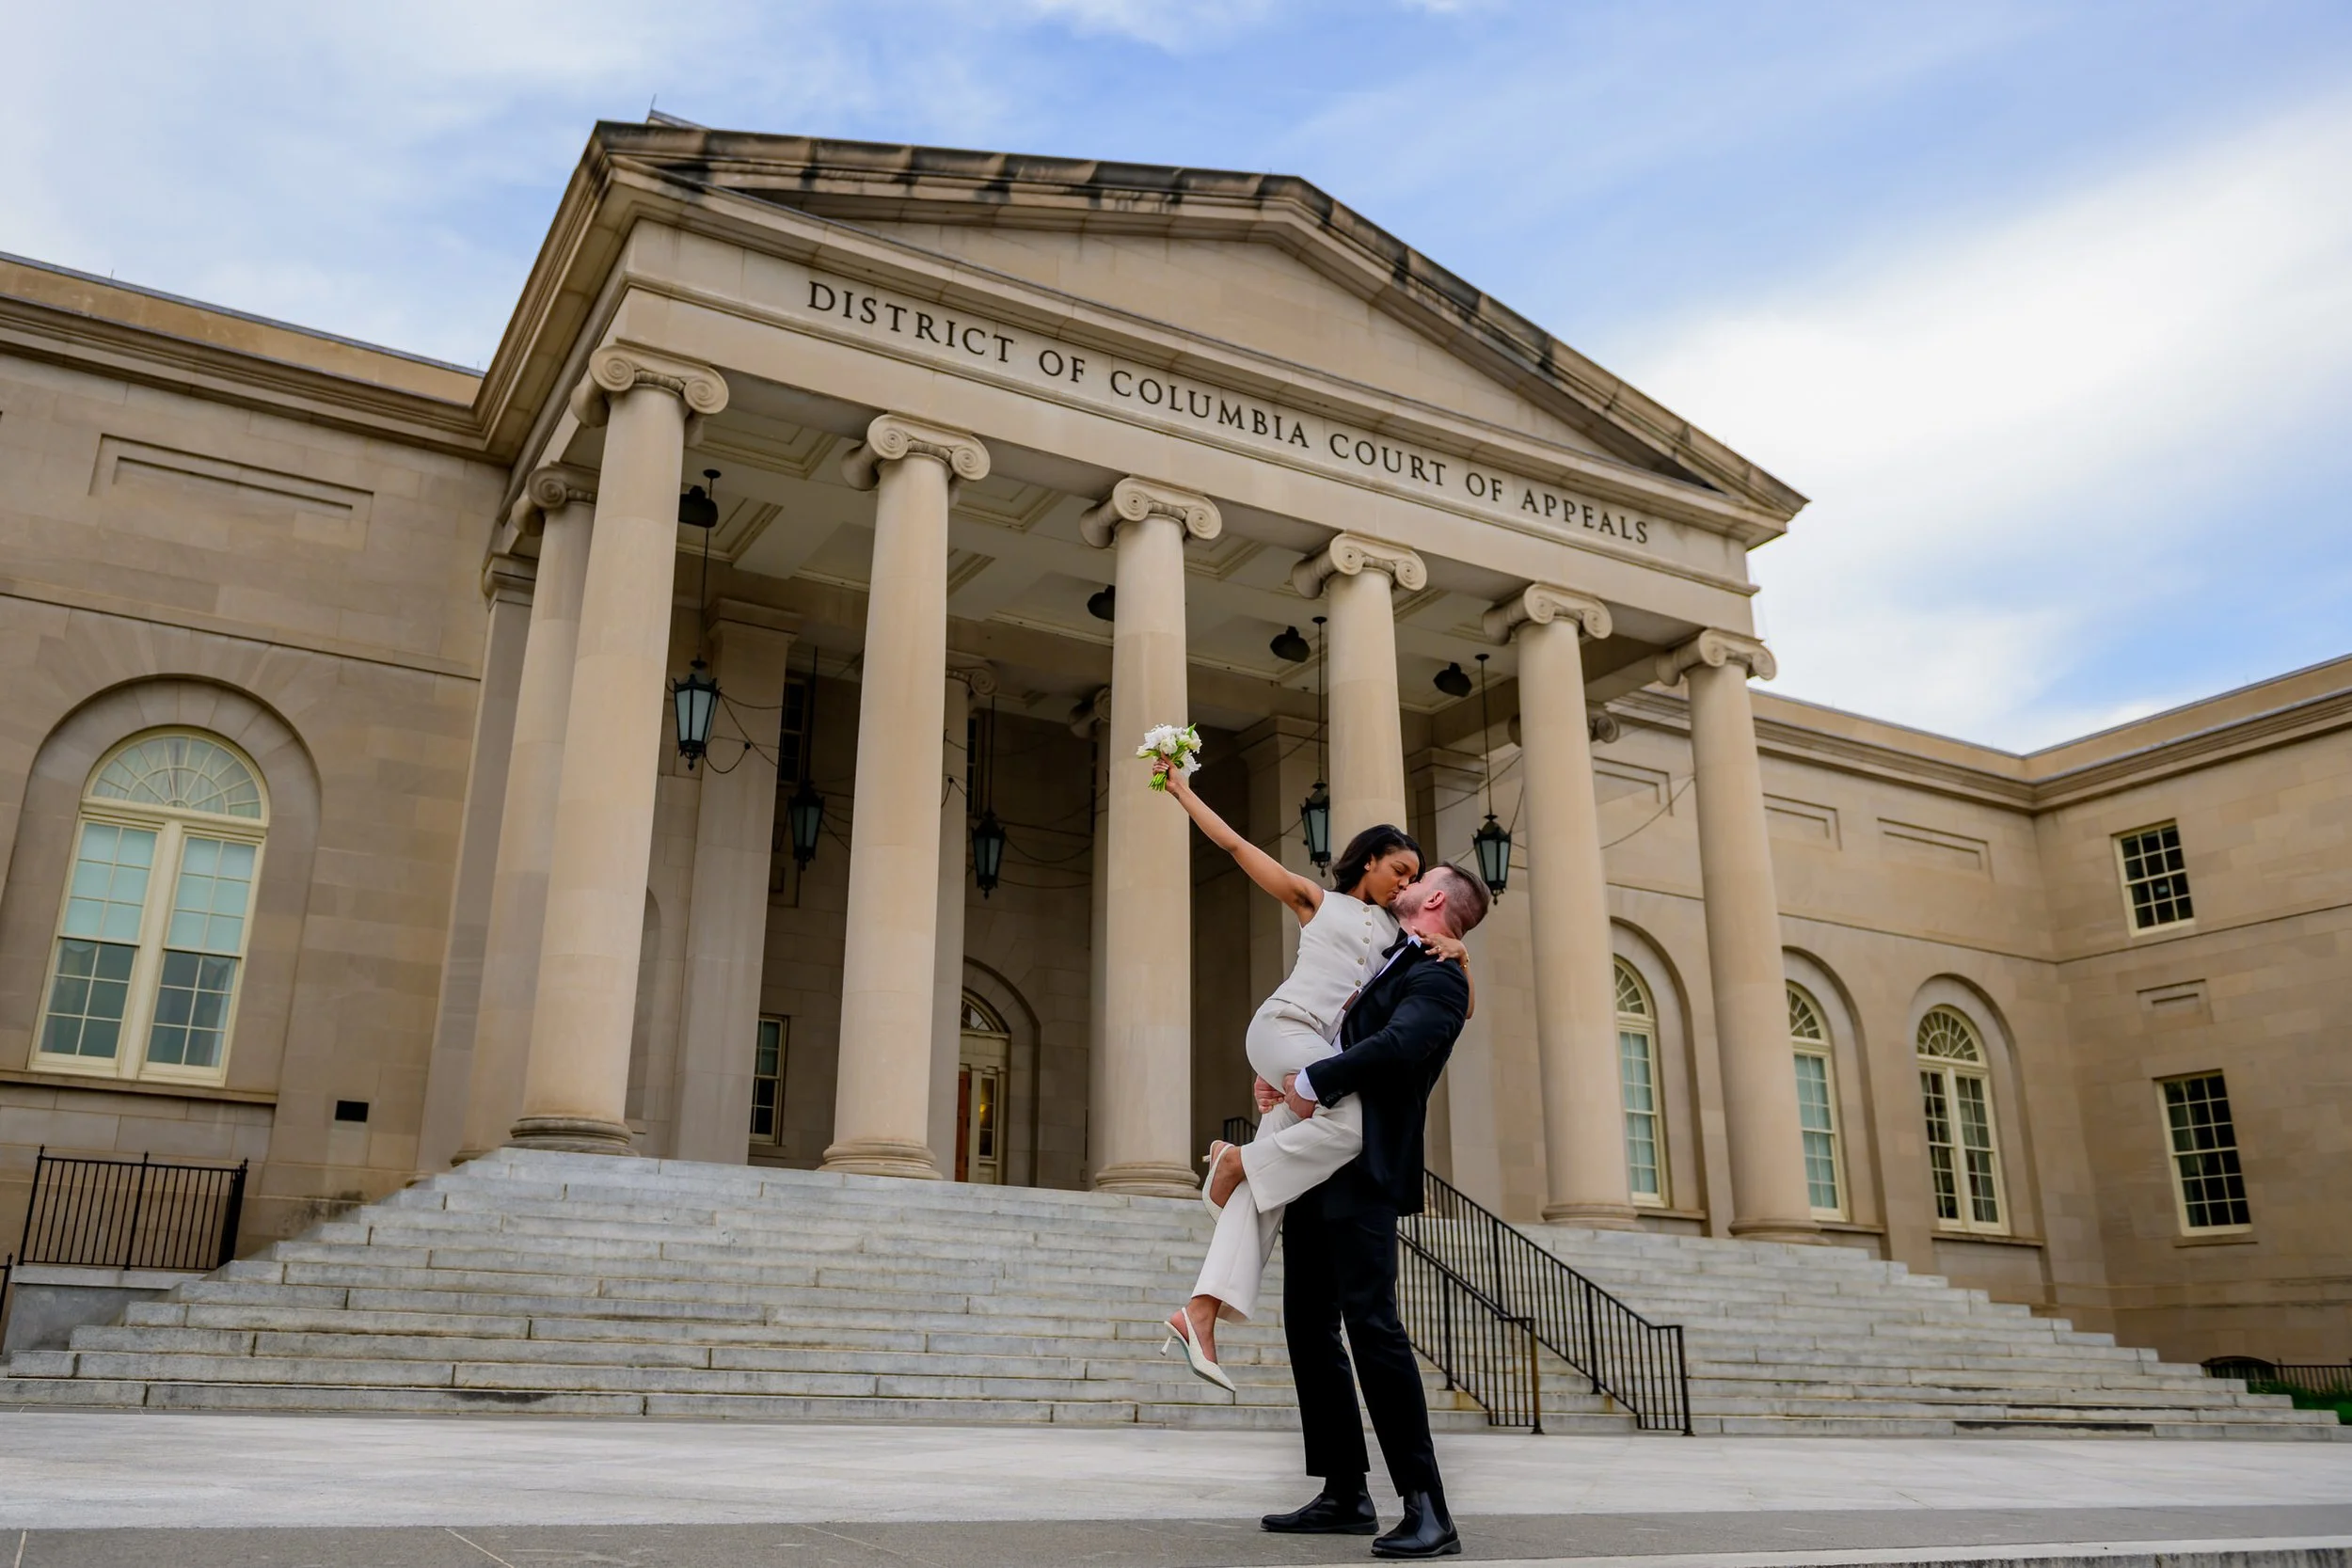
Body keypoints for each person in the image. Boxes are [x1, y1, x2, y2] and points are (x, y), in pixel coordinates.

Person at [1148, 759, 1468, 1393]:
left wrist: (1463, 952)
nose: (1403, 881)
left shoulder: (1402, 940)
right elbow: (1238, 846)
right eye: (1397, 868)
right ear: (1369, 860)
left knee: (1268, 1191)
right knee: (1349, 1128)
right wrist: (1184, 790)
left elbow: (1451, 1005)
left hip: (1316, 1061)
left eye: (1412, 877)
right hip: (1283, 1029)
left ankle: (1200, 1313)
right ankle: (1235, 1158)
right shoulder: (1319, 903)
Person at [1262, 862, 1488, 1560]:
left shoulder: (1440, 978)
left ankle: (1428, 1506)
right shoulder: (1403, 959)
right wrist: (1285, 1078)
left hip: (1366, 1167)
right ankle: (1345, 1491)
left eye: (1422, 879)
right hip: (1318, 1161)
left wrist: (1312, 1079)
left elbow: (1398, 1047)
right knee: (1307, 1320)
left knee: (1372, 1325)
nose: (1404, 884)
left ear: (1438, 898)